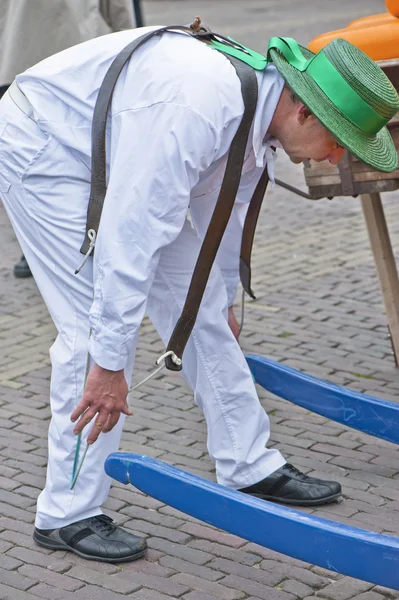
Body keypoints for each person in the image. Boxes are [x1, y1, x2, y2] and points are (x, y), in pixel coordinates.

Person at [0, 23, 398, 564]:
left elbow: (223, 211)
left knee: (202, 305)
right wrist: (111, 364)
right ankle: (66, 511)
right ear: (305, 112)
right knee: (89, 331)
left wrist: (225, 297)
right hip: (46, 143)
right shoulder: (200, 107)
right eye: (338, 143)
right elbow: (130, 233)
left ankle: (248, 462)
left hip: (120, 143)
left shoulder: (260, 113)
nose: (333, 159)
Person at [0, 0, 136, 277]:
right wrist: (134, 50)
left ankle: (39, 244)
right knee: (86, 158)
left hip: (21, 58)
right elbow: (119, 11)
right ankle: (92, 235)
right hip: (82, 61)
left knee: (31, 164)